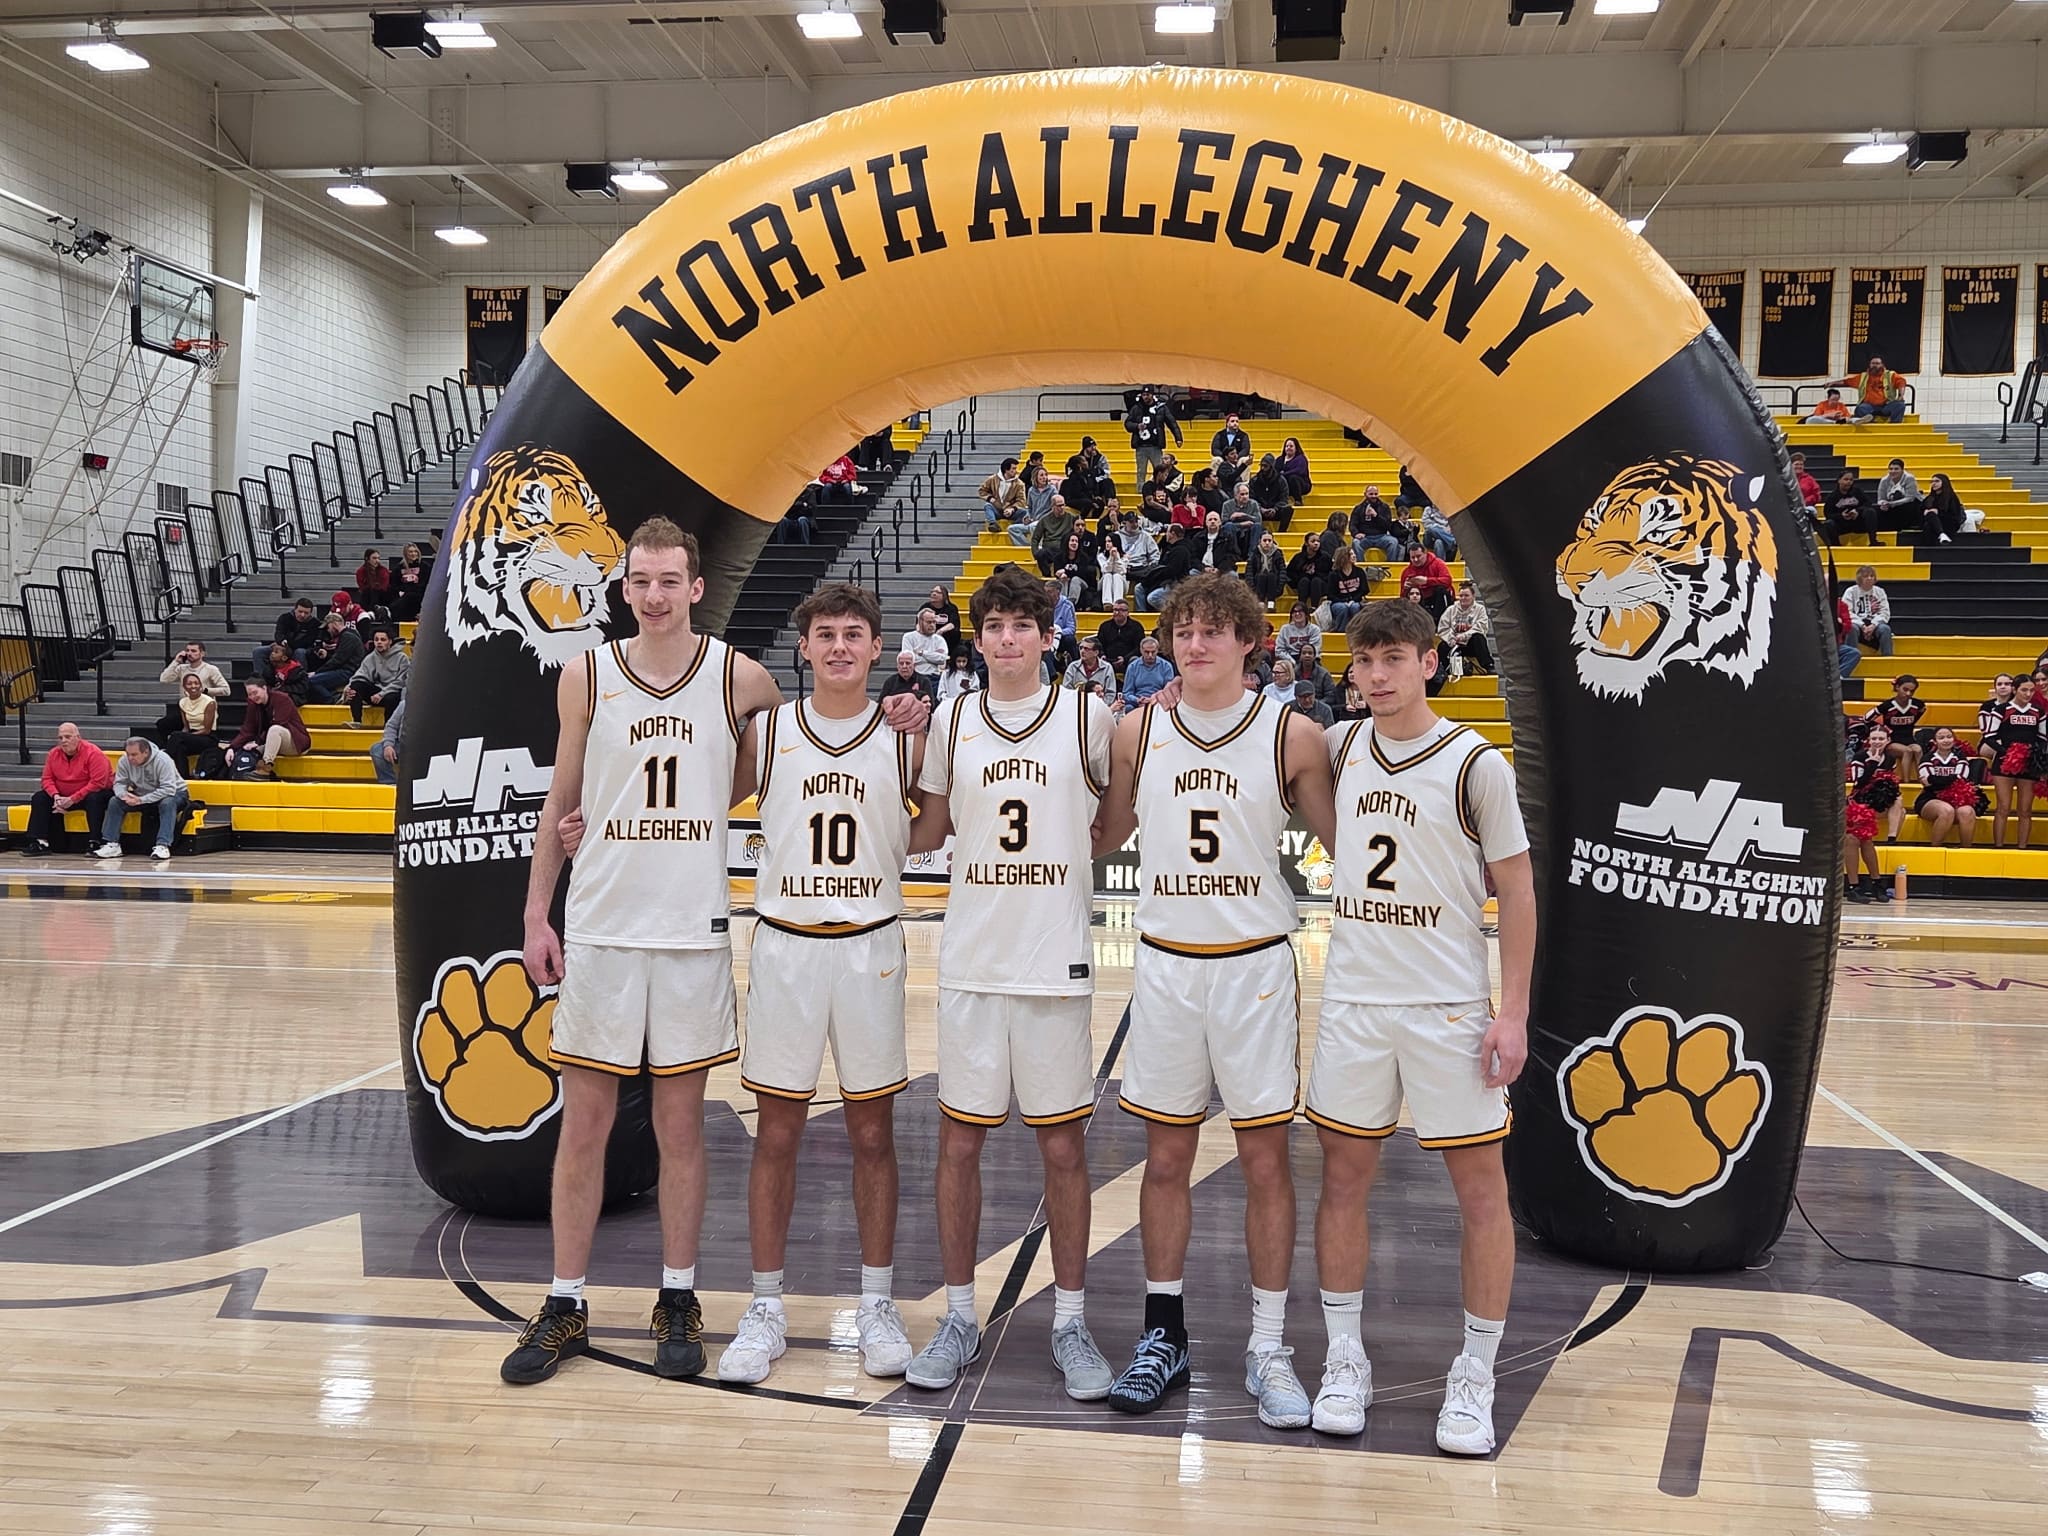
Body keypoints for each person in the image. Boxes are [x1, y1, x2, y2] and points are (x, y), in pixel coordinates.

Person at [500, 517, 786, 1388]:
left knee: (679, 1130)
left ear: (696, 587)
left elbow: (772, 767)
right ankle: (565, 1300)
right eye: (640, 581)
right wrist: (536, 914)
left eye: (671, 580)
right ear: (622, 588)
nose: (654, 595)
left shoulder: (742, 676)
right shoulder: (587, 672)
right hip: (601, 926)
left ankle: (678, 1294)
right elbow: (564, 795)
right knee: (583, 1124)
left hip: (690, 929)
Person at [639, 584, 918, 1386]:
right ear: (804, 649)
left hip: (872, 946)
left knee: (873, 1136)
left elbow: (937, 821)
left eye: (853, 635)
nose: (838, 647)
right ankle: (765, 1307)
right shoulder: (767, 734)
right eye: (824, 634)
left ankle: (875, 1304)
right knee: (779, 1136)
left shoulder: (905, 738)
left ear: (875, 649)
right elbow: (687, 801)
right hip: (787, 947)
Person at [1090, 572, 1337, 1426]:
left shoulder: (1293, 736)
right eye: (1184, 631)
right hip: (1163, 963)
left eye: (1214, 631)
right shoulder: (1134, 730)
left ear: (1248, 642)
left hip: (1257, 965)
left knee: (1266, 1161)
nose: (1195, 644)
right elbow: (1105, 831)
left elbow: (1350, 838)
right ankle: (1165, 1334)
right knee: (1165, 1161)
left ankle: (1269, 1346)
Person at [1305, 599, 1534, 1452]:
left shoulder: (1476, 765)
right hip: (1357, 1003)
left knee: (1481, 1194)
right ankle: (1342, 1361)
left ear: (1429, 662)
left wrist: (1511, 1014)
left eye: (1393, 658)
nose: (1375, 676)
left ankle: (1473, 1377)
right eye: (1363, 663)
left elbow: (1517, 890)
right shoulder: (1340, 746)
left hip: (1446, 1007)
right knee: (1342, 1182)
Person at [902, 563, 1116, 1401]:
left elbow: (1118, 808)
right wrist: (888, 753)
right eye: (992, 626)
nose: (1006, 638)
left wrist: (1079, 857)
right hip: (972, 964)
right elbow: (924, 829)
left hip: (1055, 962)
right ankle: (959, 1315)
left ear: (1046, 634)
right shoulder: (952, 720)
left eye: (1020, 625)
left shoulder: (1085, 716)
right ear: (978, 637)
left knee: (1062, 1147)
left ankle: (1069, 1320)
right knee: (960, 1142)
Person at [21, 721, 115, 856]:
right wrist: (56, 796)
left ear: (78, 737)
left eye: (67, 737)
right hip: (63, 796)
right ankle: (40, 841)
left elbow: (98, 783)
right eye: (60, 738)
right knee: (40, 797)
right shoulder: (53, 754)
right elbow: (47, 779)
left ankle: (95, 841)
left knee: (95, 798)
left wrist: (72, 799)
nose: (63, 741)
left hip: (89, 794)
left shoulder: (94, 753)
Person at [94, 736, 192, 862]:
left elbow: (168, 789)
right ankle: (112, 844)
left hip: (175, 793)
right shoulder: (124, 761)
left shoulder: (163, 760)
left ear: (145, 752)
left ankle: (163, 845)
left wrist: (141, 800)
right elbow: (119, 783)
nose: (130, 758)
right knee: (115, 802)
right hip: (141, 794)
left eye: (134, 754)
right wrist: (123, 795)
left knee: (167, 803)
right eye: (128, 754)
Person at [1986, 676, 2043, 850]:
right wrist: (2008, 753)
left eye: (2032, 690)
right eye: (2024, 690)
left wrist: (2033, 756)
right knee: (2003, 807)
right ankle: (1999, 847)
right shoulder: (2002, 709)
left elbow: (2043, 738)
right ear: (2014, 689)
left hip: (2029, 765)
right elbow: (1989, 736)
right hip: (2004, 763)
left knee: (2025, 810)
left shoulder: (2038, 711)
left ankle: (2022, 848)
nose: (2028, 694)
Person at [1844, 726, 1899, 902]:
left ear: (1887, 741)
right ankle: (1853, 886)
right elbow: (1858, 783)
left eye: (1881, 739)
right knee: (1851, 840)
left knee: (1867, 843)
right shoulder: (1860, 756)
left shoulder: (1890, 759)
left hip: (1874, 806)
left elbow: (1889, 783)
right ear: (1869, 740)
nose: (1877, 742)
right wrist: (1873, 763)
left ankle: (1877, 883)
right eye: (1874, 738)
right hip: (1857, 804)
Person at [227, 678, 310, 780]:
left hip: (296, 743)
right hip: (271, 741)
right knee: (247, 749)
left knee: (275, 729)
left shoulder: (282, 699)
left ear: (264, 688)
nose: (253, 697)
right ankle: (245, 772)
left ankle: (265, 768)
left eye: (255, 692)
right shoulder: (253, 704)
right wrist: (232, 747)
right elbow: (247, 729)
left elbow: (280, 722)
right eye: (250, 694)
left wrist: (258, 741)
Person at [1916, 729, 1985, 849]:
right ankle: (1935, 850)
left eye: (1949, 737)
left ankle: (1965, 850)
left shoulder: (1960, 757)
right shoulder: (1927, 758)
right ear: (1935, 741)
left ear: (1954, 739)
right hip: (1931, 798)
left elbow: (1961, 778)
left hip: (1956, 798)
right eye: (1941, 737)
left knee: (1967, 812)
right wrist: (1949, 779)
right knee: (1946, 811)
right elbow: (1927, 783)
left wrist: (1935, 779)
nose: (1946, 740)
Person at [1863, 674, 1925, 787]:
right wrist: (1880, 729)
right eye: (1905, 689)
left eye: (1912, 691)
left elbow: (1920, 712)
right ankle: (1906, 783)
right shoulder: (1887, 705)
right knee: (1908, 751)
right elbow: (1866, 718)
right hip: (1892, 740)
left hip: (1909, 738)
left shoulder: (1918, 704)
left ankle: (1922, 780)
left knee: (1918, 749)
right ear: (1897, 687)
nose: (1908, 694)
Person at [344, 628, 410, 725]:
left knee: (392, 698)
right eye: (376, 639)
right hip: (376, 692)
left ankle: (388, 726)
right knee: (356, 685)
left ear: (390, 642)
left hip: (392, 692)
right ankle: (356, 722)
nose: (379, 642)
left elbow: (401, 682)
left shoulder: (402, 658)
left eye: (383, 640)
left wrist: (382, 694)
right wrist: (349, 687)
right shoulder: (371, 657)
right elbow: (360, 674)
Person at [164, 673, 224, 779]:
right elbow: (186, 728)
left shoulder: (209, 702)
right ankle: (183, 779)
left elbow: (207, 730)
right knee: (179, 747)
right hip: (191, 736)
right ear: (184, 687)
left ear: (200, 685)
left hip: (208, 737)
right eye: (189, 684)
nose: (193, 686)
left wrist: (182, 736)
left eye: (196, 683)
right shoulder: (183, 702)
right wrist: (183, 736)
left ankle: (165, 762)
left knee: (176, 736)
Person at [1124, 386, 1182, 490]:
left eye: (1147, 395)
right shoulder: (1136, 408)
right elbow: (1127, 423)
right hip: (1141, 445)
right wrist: (1136, 426)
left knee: (1159, 470)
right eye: (1143, 395)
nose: (1145, 397)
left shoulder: (1161, 407)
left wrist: (1178, 437)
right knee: (1141, 470)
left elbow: (1171, 422)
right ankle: (1141, 491)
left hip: (1155, 445)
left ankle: (1159, 489)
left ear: (1152, 395)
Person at [305, 612, 366, 704]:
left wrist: (316, 672)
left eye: (328, 627)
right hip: (347, 669)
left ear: (334, 624)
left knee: (312, 681)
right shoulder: (350, 634)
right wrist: (327, 655)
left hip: (348, 671)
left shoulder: (347, 636)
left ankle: (333, 700)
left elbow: (338, 660)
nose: (328, 631)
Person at [1138, 523, 1197, 613]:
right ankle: (1141, 613)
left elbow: (1172, 571)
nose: (1165, 534)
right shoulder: (1169, 548)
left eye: (1167, 532)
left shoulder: (1181, 550)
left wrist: (1155, 577)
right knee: (1139, 588)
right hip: (1164, 580)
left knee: (1153, 598)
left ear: (1172, 534)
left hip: (1174, 582)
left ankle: (1174, 613)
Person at [252, 596, 320, 673]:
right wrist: (281, 642)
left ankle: (301, 679)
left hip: (302, 648)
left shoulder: (315, 623)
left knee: (299, 652)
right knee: (258, 651)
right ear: (295, 609)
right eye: (300, 611)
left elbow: (307, 642)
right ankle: (260, 679)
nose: (302, 615)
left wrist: (288, 646)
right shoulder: (285, 617)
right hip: (283, 646)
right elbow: (279, 634)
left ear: (311, 613)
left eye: (306, 613)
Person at [1438, 582, 1495, 675]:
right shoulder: (1451, 609)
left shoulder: (1480, 609)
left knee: (1478, 638)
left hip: (1470, 644)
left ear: (1473, 596)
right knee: (1442, 646)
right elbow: (1442, 628)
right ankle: (1442, 669)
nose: (1463, 598)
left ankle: (1488, 665)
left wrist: (1465, 636)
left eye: (1466, 595)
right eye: (1461, 596)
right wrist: (1451, 638)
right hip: (1455, 644)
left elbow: (1481, 627)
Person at [1834, 356, 1910, 423]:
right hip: (1869, 407)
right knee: (1860, 408)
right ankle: (1871, 422)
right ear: (1869, 365)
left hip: (1886, 406)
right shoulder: (1863, 376)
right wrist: (1831, 383)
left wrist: (1901, 395)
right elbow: (1846, 382)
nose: (1874, 365)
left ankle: (1894, 426)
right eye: (1873, 363)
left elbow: (1901, 381)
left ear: (1882, 365)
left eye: (1877, 363)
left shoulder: (1890, 375)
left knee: (1900, 405)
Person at [1844, 567, 1893, 656]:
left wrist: (1873, 625)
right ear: (1859, 578)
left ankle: (1888, 659)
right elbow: (1847, 612)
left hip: (1875, 623)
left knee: (1885, 629)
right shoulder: (1850, 591)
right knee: (1851, 628)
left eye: (1872, 576)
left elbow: (1885, 612)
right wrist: (1862, 625)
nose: (1870, 578)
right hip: (1857, 623)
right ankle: (1850, 657)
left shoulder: (1880, 592)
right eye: (1866, 576)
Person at [1349, 486, 1406, 562]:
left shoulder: (1384, 507)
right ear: (1365, 494)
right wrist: (1356, 533)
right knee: (1356, 542)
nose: (1373, 496)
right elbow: (1352, 524)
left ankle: (1390, 567)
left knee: (1393, 542)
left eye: (1375, 494)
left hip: (1381, 536)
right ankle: (1361, 568)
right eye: (1371, 494)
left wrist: (1376, 516)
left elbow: (1388, 525)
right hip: (1365, 537)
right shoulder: (1358, 508)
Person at [1120, 634, 1176, 711]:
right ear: (1141, 651)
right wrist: (1137, 700)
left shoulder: (1166, 666)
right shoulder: (1133, 667)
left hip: (1159, 703)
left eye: (1153, 652)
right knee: (1128, 708)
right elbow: (1126, 693)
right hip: (1137, 703)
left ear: (1157, 650)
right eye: (1147, 652)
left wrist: (1153, 699)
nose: (1150, 655)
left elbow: (1168, 691)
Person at [159, 640, 229, 700]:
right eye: (187, 651)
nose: (189, 653)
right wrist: (176, 662)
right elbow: (164, 679)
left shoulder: (211, 669)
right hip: (186, 709)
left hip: (205, 709)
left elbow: (226, 690)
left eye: (193, 651)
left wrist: (205, 690)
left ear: (202, 654)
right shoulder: (181, 669)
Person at [1402, 543, 1455, 620]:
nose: (1416, 560)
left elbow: (1447, 581)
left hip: (1437, 598)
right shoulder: (1407, 571)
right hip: (1421, 599)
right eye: (1413, 557)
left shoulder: (1438, 563)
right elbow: (1402, 596)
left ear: (1425, 554)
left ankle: (1439, 620)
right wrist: (1405, 589)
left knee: (1441, 590)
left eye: (1418, 556)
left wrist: (1427, 581)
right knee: (1411, 595)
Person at [1029, 496, 1079, 576]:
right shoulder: (1044, 520)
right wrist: (1035, 553)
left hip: (1065, 550)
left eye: (1063, 505)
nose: (1062, 507)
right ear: (1052, 506)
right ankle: (1047, 575)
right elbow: (1035, 538)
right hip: (1049, 550)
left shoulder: (1071, 518)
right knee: (1041, 554)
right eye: (1059, 506)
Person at [1823, 472, 1877, 546]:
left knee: (1870, 512)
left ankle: (1873, 541)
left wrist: (1857, 511)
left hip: (1858, 522)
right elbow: (1828, 514)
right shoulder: (1832, 497)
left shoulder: (1857, 491)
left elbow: (1868, 503)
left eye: (1851, 480)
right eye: (1846, 479)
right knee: (1828, 523)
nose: (1849, 482)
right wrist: (1841, 516)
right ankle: (1836, 546)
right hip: (1842, 524)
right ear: (1839, 480)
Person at [1064, 637, 1118, 704]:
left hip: (1100, 707)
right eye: (1081, 648)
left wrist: (1101, 706)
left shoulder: (1107, 668)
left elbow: (1110, 693)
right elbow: (1067, 691)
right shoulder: (1072, 667)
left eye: (1086, 649)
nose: (1082, 651)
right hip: (1077, 706)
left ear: (1096, 652)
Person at [1287, 532, 1333, 609]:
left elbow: (1331, 573)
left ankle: (1314, 607)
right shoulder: (1298, 557)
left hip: (1320, 584)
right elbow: (1290, 572)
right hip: (1303, 584)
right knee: (1304, 580)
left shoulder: (1325, 557)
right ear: (1306, 543)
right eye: (1313, 541)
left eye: (1318, 541)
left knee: (1316, 581)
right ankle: (1301, 606)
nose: (1316, 543)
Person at [979, 457, 1027, 529]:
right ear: (1006, 469)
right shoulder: (992, 479)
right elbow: (982, 490)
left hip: (1011, 511)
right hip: (997, 509)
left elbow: (1021, 500)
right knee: (987, 506)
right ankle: (993, 524)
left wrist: (1012, 509)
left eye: (1015, 468)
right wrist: (990, 498)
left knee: (1024, 512)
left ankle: (1014, 528)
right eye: (1013, 469)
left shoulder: (1019, 484)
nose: (1016, 471)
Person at [1249, 453, 1293, 531]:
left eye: (1265, 466)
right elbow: (1251, 498)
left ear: (1271, 467)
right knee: (1249, 508)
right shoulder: (1254, 480)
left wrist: (1275, 509)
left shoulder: (1281, 480)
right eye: (1261, 465)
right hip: (1259, 511)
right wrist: (1260, 508)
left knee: (1288, 509)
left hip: (1276, 510)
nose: (1262, 468)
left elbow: (1284, 499)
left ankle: (1281, 532)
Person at [901, 609, 949, 681]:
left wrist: (922, 653)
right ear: (920, 622)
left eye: (934, 622)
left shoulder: (939, 640)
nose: (932, 625)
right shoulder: (908, 637)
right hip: (915, 677)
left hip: (934, 677)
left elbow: (942, 659)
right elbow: (909, 659)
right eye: (929, 622)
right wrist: (933, 658)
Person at [1874, 459, 1922, 531]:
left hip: (1909, 504)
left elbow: (1910, 498)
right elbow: (1880, 499)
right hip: (1892, 504)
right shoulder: (1884, 480)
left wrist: (1892, 504)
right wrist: (1883, 504)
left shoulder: (1909, 478)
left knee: (1909, 505)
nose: (1893, 471)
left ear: (1902, 470)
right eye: (1891, 469)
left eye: (1896, 469)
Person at [390, 543, 432, 623]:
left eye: (415, 551)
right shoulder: (399, 568)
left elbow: (424, 584)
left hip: (418, 595)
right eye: (410, 552)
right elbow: (394, 584)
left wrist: (409, 591)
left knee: (408, 598)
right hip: (403, 595)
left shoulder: (424, 566)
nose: (413, 554)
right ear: (406, 554)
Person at [1327, 547, 1368, 628]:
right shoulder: (1334, 574)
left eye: (1354, 553)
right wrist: (1344, 601)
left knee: (1355, 607)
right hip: (1338, 602)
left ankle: (1357, 630)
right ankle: (1341, 631)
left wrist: (1353, 600)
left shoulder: (1359, 571)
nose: (1354, 556)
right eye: (1351, 554)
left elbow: (1364, 590)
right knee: (1342, 608)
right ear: (1343, 557)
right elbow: (1330, 595)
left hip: (1355, 601)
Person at [1920, 473, 1967, 543]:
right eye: (1932, 482)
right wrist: (1925, 511)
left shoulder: (1951, 497)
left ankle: (1941, 534)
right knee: (1929, 522)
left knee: (1930, 520)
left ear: (1944, 482)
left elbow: (1954, 516)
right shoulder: (1930, 497)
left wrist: (1938, 512)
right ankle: (1941, 534)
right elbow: (1921, 510)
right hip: (1933, 522)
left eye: (1937, 481)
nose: (1934, 483)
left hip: (1949, 523)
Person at [371, 697, 405, 786]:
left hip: (424, 748)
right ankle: (389, 784)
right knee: (377, 750)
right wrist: (388, 745)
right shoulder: (404, 704)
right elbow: (391, 726)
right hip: (402, 745)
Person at [925, 584, 965, 658]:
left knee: (954, 633)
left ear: (944, 595)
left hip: (945, 636)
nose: (933, 594)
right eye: (932, 592)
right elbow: (919, 624)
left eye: (937, 592)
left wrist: (940, 631)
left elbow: (953, 624)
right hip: (929, 634)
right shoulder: (925, 607)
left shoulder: (951, 608)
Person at [1279, 436, 1312, 501]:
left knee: (1293, 477)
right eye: (1287, 446)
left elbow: (1299, 471)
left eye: (1291, 446)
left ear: (1296, 448)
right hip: (1285, 484)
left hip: (1301, 484)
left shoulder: (1301, 459)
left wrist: (1284, 474)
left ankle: (1298, 500)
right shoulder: (1280, 459)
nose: (1288, 448)